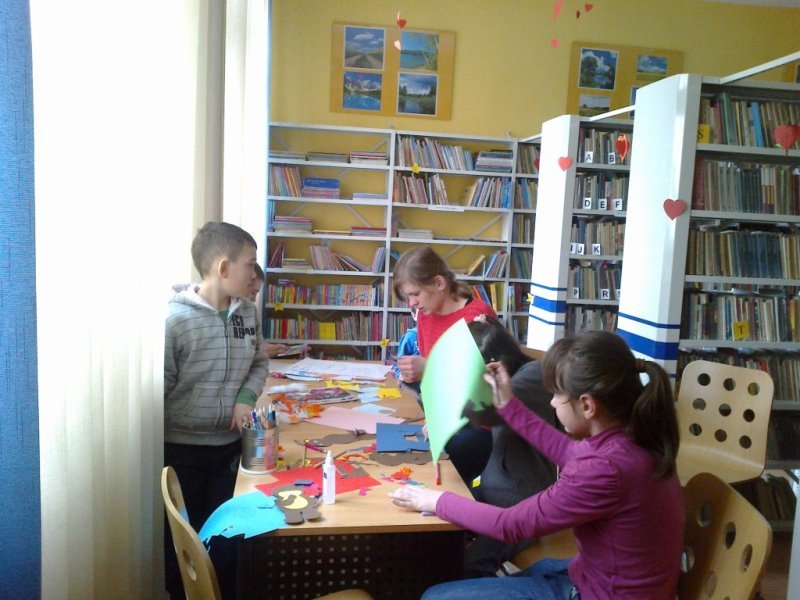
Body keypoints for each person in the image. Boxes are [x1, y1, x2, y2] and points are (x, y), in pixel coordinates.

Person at [389, 330, 684, 600]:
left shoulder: (605, 469)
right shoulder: (631, 441)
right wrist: (509, 405)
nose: (552, 403)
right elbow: (564, 450)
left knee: (435, 597)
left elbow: (510, 525)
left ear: (587, 405)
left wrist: (434, 500)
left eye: (557, 395)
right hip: (599, 577)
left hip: (599, 592)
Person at [164, 221, 269, 599]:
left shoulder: (248, 314)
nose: (254, 274)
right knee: (183, 541)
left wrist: (245, 398)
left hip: (229, 448)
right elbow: (160, 386)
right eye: (249, 264)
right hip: (183, 451)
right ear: (224, 268)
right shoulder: (176, 320)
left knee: (228, 536)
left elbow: (259, 363)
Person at [462, 316, 558, 578]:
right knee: (437, 525)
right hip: (495, 486)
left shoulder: (532, 376)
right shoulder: (515, 376)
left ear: (496, 363)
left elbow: (486, 412)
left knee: (471, 564)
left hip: (523, 501)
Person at [392, 247, 497, 486]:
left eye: (415, 294)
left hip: (478, 423)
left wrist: (430, 368)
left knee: (443, 457)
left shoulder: (477, 316)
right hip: (444, 414)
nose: (412, 303)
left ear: (439, 283)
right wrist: (414, 377)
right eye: (408, 297)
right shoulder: (426, 315)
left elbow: (485, 388)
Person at [249, 262, 290, 358]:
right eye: (253, 293)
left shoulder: (251, 311)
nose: (254, 299)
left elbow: (257, 343)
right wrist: (261, 353)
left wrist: (270, 348)